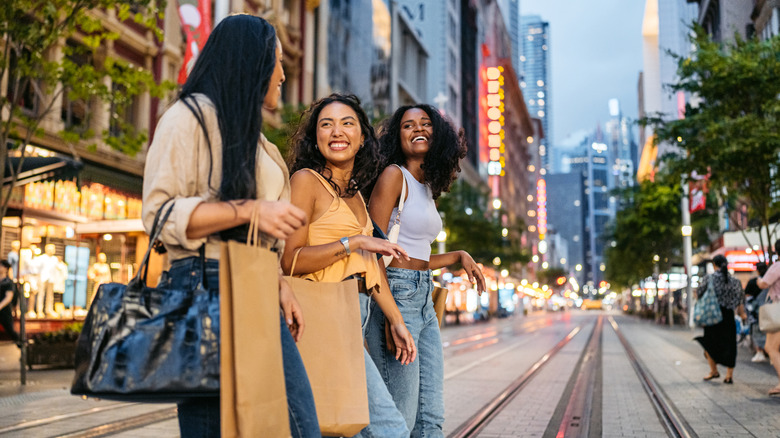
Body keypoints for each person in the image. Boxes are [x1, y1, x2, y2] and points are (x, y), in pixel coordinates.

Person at [142, 14, 319, 437]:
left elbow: (260, 235)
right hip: (205, 286)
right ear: (251, 62)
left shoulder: (261, 142)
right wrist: (250, 210)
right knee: (212, 429)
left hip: (255, 286)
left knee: (298, 425)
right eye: (275, 62)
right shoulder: (189, 117)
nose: (281, 74)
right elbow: (160, 214)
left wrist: (280, 284)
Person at [282, 93, 414, 437]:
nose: (336, 132)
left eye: (347, 123)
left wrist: (396, 320)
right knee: (389, 429)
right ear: (315, 138)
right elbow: (290, 260)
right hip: (321, 315)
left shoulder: (356, 195)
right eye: (326, 124)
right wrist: (352, 242)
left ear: (362, 138)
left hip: (355, 315)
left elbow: (371, 268)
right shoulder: (306, 181)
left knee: (346, 426)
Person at [366, 104, 487, 436]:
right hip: (396, 295)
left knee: (431, 416)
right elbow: (372, 251)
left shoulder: (427, 187)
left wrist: (457, 255)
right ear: (397, 136)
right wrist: (392, 316)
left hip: (423, 296)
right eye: (408, 125)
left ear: (438, 135)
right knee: (400, 420)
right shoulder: (394, 175)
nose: (417, 129)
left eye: (425, 123)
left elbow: (415, 256)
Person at [695, 255, 746, 385]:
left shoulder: (709, 278)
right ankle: (729, 376)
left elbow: (699, 293)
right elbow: (740, 299)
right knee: (730, 344)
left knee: (710, 343)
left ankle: (714, 371)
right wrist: (742, 314)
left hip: (713, 315)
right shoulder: (735, 281)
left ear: (714, 265)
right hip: (729, 316)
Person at [756, 240, 780, 396]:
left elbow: (764, 284)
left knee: (770, 347)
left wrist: (758, 280)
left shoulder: (777, 266)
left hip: (778, 311)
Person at [745, 262, 768, 362]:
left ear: (757, 270)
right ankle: (767, 351)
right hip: (769, 311)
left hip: (755, 312)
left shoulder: (754, 281)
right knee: (768, 331)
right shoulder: (769, 281)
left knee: (756, 331)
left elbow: (747, 296)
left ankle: (760, 352)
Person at [0, 260, 21, 346]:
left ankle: (21, 344)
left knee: (10, 329)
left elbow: (9, 297)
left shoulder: (8, 282)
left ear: (5, 268)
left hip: (5, 310)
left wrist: (0, 306)